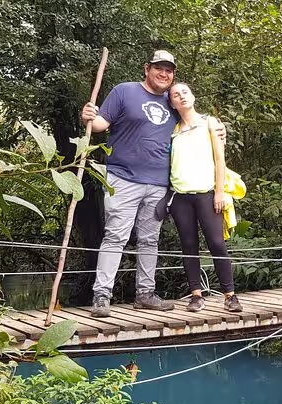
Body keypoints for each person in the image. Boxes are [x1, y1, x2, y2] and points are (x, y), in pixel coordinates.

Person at [80, 50, 224, 317]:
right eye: (159, 68)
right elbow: (100, 123)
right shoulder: (125, 91)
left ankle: (145, 294)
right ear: (147, 68)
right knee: (115, 236)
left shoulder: (172, 103)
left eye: (169, 70)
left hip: (159, 184)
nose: (164, 74)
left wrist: (218, 128)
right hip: (122, 178)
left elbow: (193, 121)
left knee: (149, 240)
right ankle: (102, 295)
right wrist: (89, 115)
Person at [167, 82, 243, 313]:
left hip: (207, 193)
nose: (181, 96)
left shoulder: (210, 123)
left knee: (217, 243)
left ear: (193, 95)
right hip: (180, 196)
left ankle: (230, 295)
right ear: (171, 103)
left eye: (185, 92)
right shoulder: (172, 130)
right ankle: (196, 295)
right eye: (175, 95)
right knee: (188, 245)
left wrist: (219, 191)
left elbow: (220, 160)